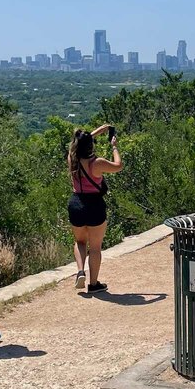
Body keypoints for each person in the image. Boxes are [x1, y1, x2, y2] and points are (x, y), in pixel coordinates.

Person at [68, 125, 123, 294]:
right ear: (91, 145)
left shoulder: (72, 158)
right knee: (95, 247)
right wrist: (114, 146)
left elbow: (79, 143)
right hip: (95, 205)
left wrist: (98, 131)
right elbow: (118, 165)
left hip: (76, 203)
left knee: (80, 242)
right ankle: (93, 284)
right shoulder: (97, 163)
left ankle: (80, 272)